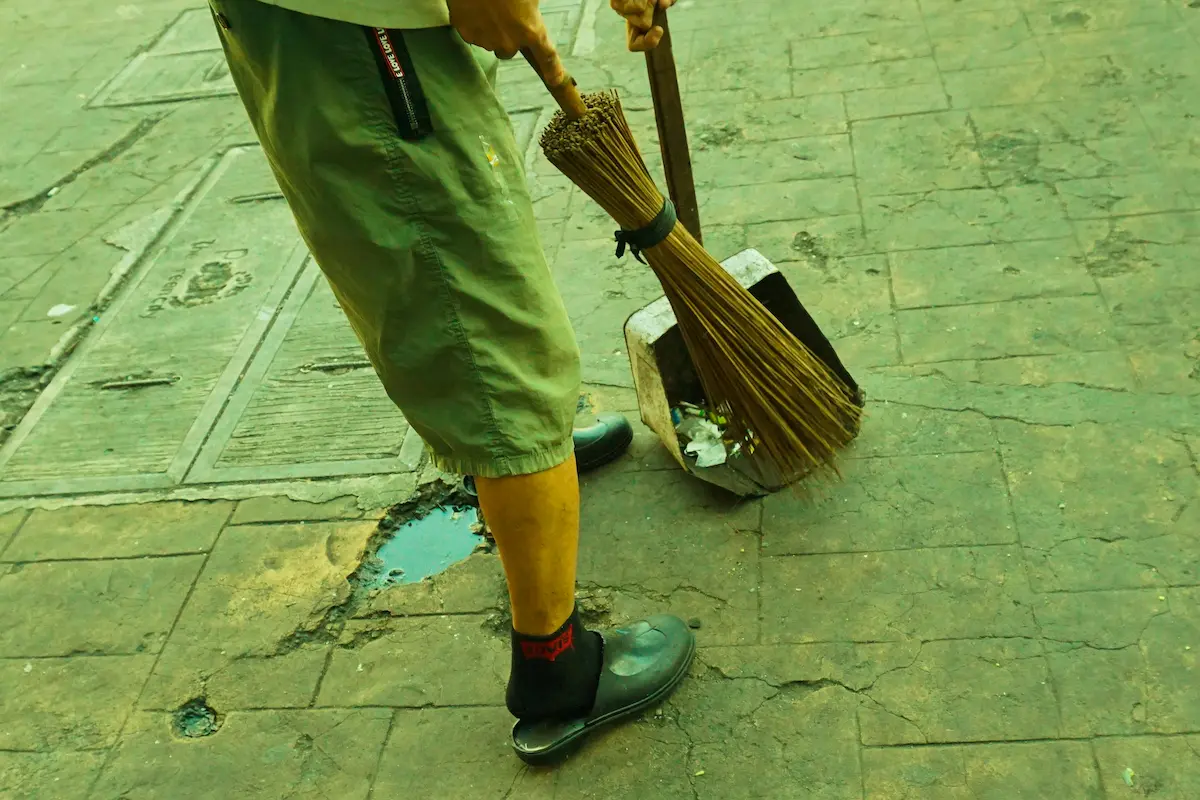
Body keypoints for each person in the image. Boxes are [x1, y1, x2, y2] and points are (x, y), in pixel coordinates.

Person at [209, 0, 693, 764]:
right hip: (364, 35)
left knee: (468, 262)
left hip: (352, 34)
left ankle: (519, 456)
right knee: (483, 322)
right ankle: (555, 669)